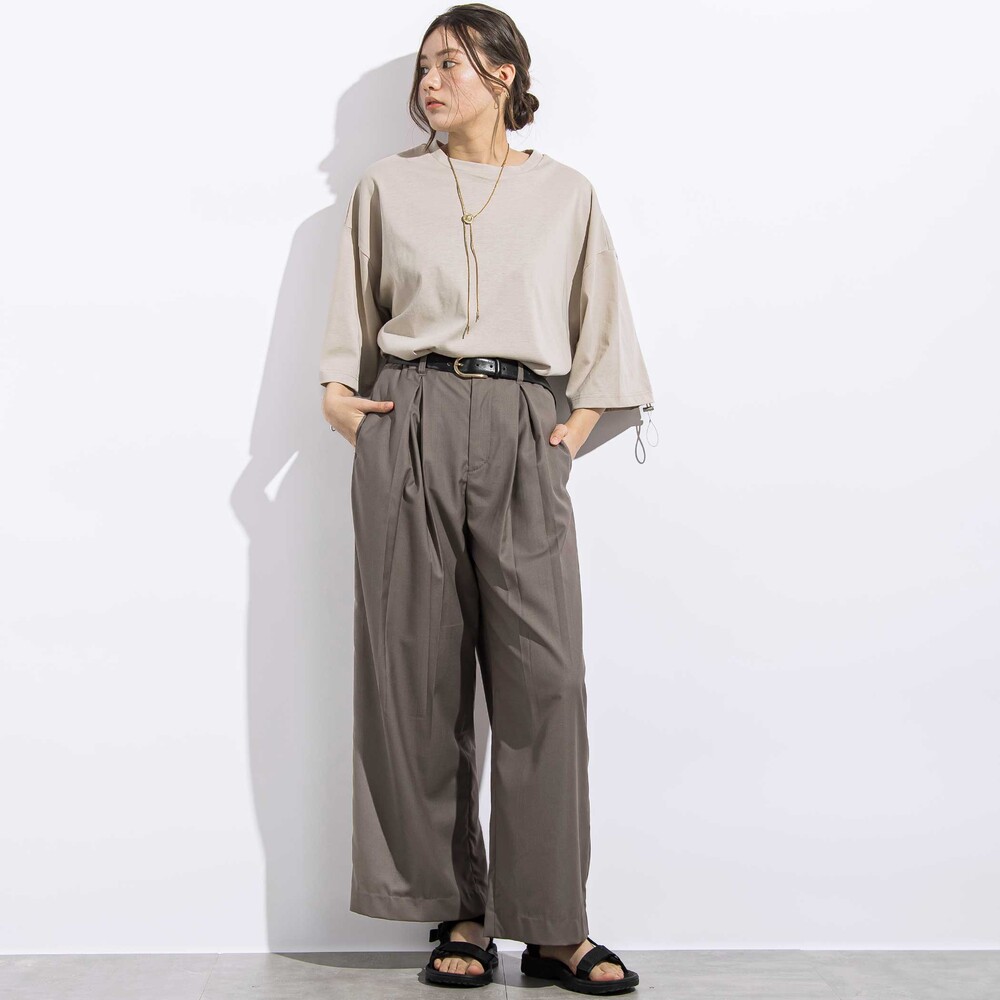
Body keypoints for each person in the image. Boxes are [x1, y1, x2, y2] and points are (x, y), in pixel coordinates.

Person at [319, 5, 652, 994]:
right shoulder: (387, 186)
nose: (430, 82)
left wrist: (570, 434)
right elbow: (351, 322)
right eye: (423, 66)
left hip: (522, 426)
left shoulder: (565, 193)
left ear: (504, 74)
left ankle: (552, 927)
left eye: (450, 64)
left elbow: (604, 329)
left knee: (545, 681)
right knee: (416, 680)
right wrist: (344, 401)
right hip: (410, 418)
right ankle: (456, 910)